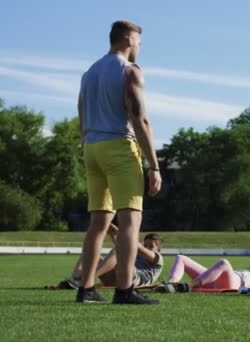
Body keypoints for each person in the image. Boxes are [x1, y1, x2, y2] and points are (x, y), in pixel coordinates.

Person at [77, 20, 162, 304]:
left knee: (98, 223)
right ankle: (125, 290)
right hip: (119, 147)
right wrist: (154, 164)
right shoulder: (129, 71)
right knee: (130, 220)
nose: (139, 46)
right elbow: (140, 118)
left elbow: (81, 113)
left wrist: (87, 144)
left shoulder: (89, 73)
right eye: (138, 40)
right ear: (128, 38)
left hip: (91, 148)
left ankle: (86, 288)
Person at [58, 224, 163, 289]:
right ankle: (74, 280)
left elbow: (138, 248)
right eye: (146, 245)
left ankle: (86, 280)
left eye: (151, 246)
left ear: (158, 250)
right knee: (89, 254)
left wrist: (119, 231)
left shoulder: (158, 259)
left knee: (120, 251)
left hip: (134, 280)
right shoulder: (138, 254)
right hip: (118, 277)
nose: (148, 248)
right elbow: (124, 244)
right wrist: (112, 234)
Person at [159, 254, 250, 292]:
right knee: (181, 258)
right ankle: (170, 283)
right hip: (213, 279)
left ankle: (188, 286)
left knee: (224, 263)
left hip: (232, 283)